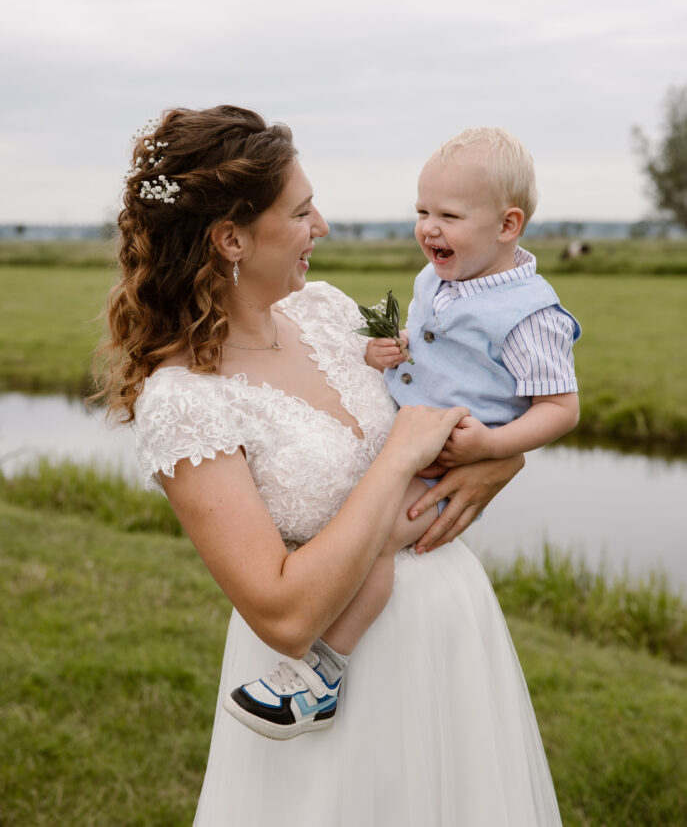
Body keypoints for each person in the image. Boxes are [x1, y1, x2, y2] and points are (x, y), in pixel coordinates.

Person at [99, 105, 563, 826]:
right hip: (325, 668)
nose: (322, 226)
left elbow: (463, 395)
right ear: (231, 238)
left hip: (449, 624)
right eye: (301, 212)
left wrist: (500, 458)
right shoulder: (185, 400)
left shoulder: (325, 311)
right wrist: (403, 454)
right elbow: (283, 614)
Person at [229, 125, 580, 742]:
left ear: (508, 225)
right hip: (405, 444)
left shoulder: (530, 313)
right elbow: (428, 354)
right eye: (422, 212)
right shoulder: (435, 281)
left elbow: (561, 407)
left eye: (449, 216)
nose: (429, 228)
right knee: (364, 523)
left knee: (379, 536)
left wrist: (493, 448)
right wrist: (388, 353)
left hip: (445, 460)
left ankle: (323, 673)